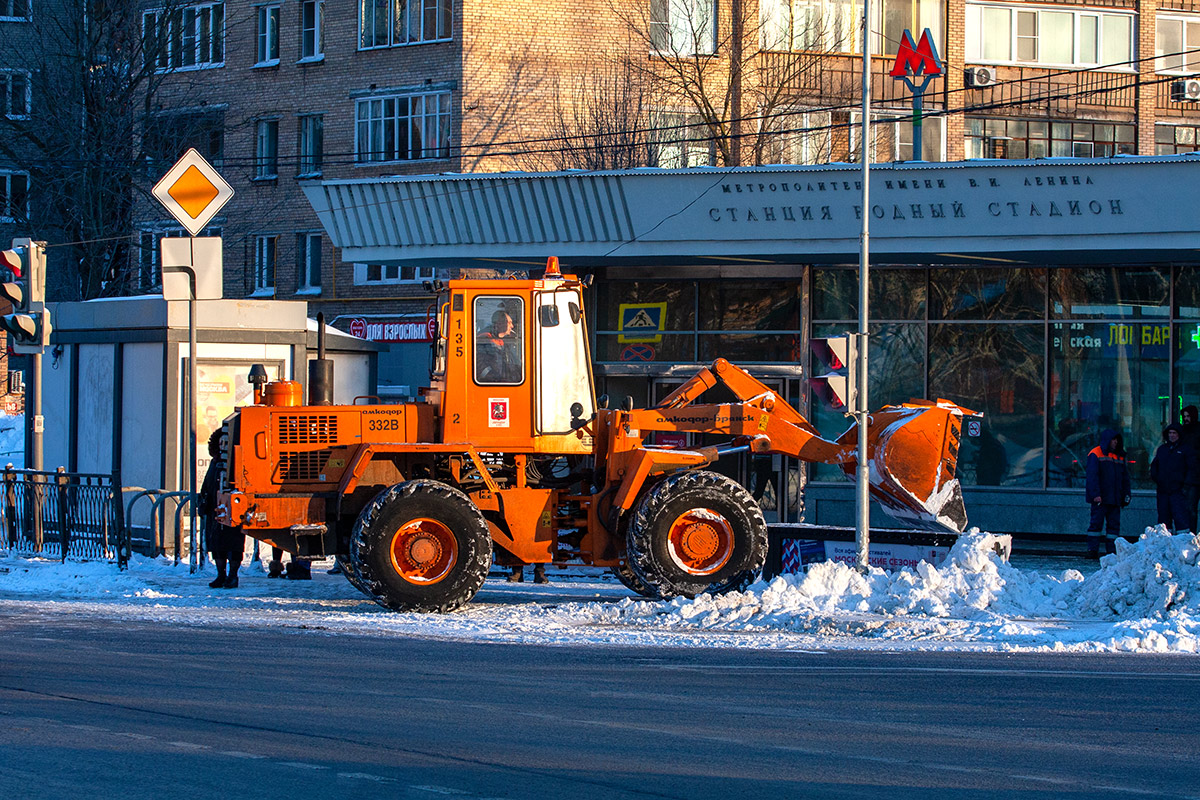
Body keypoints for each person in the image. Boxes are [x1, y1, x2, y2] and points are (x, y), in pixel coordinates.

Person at [198, 429, 246, 588]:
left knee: (233, 543)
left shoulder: (236, 460)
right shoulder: (215, 461)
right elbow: (207, 483)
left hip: (232, 507)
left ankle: (233, 576)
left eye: (225, 443)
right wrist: (203, 502)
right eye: (220, 443)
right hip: (215, 507)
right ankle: (221, 575)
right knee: (216, 544)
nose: (222, 446)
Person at [1085, 428, 1131, 559]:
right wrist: (1095, 495)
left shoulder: (1119, 456)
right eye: (1113, 440)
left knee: (1113, 526)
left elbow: (1125, 478)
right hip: (1102, 498)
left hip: (1114, 497)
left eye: (1117, 440)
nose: (1115, 442)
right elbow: (1092, 476)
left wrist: (1126, 494)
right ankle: (1093, 550)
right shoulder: (1096, 453)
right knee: (1096, 524)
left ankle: (1111, 551)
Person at [1150, 424, 1195, 533]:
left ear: (1179, 435)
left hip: (1178, 491)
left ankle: (1183, 547)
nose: (1172, 435)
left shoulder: (1186, 450)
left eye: (1174, 433)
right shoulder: (1162, 449)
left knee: (1181, 520)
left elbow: (1192, 468)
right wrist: (1158, 479)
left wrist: (1185, 486)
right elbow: (1154, 466)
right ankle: (1165, 545)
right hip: (1163, 491)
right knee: (1163, 522)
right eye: (1170, 433)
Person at [476, 309, 521, 383]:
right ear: (499, 324)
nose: (512, 326)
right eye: (509, 323)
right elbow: (480, 365)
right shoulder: (484, 340)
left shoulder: (506, 342)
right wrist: (495, 379)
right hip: (491, 384)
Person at [1181, 405, 1200, 531]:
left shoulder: (1194, 431)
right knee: (1190, 510)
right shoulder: (1183, 432)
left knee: (1191, 509)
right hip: (1190, 478)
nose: (1186, 419)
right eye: (1185, 417)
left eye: (1188, 416)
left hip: (1192, 476)